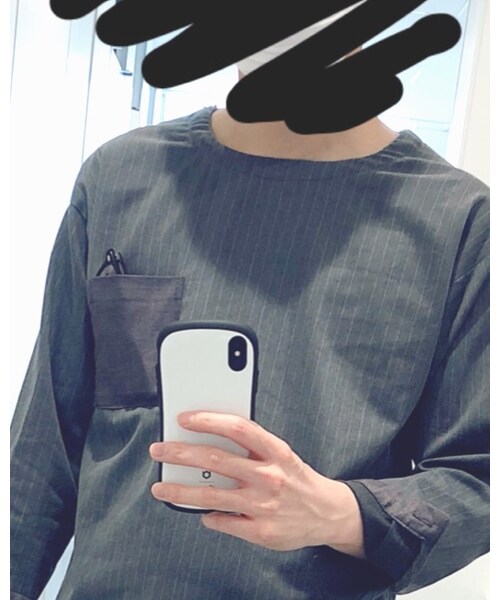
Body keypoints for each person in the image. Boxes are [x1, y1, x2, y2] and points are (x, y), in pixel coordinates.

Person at [11, 14, 489, 600]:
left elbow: (478, 477)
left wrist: (338, 513)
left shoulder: (458, 220)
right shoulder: (120, 177)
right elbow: (43, 448)